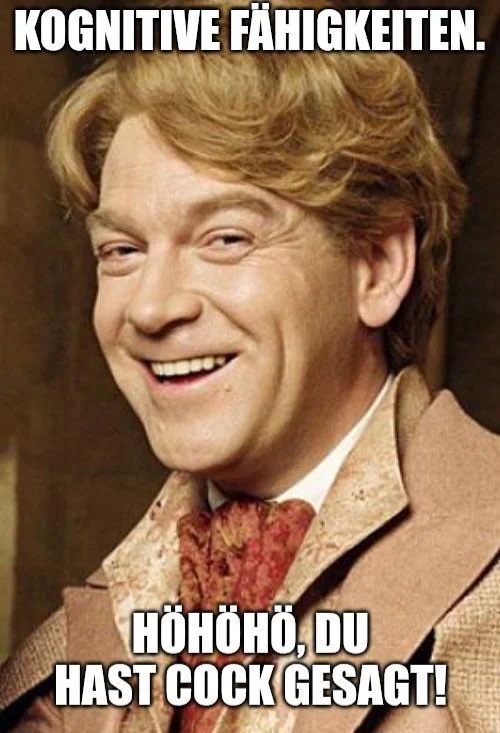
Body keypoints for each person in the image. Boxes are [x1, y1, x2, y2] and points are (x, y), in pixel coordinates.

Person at [0, 2, 499, 732]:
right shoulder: (57, 667)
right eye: (121, 251)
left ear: (378, 265)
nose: (151, 308)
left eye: (226, 239)